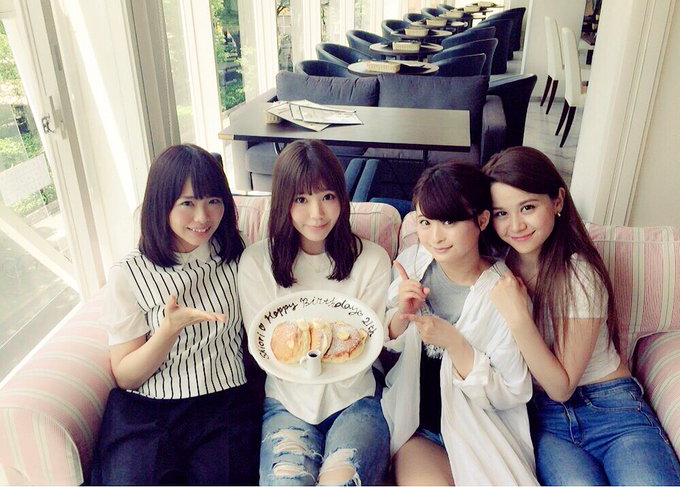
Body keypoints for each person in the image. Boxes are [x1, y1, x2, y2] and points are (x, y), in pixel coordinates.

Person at [483, 146, 680, 486]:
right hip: (545, 421)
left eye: (528, 207)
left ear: (558, 201)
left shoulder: (578, 272)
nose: (516, 225)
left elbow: (561, 386)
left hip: (612, 409)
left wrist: (518, 317)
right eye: (502, 213)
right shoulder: (495, 272)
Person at [90, 144, 261, 485]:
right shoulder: (129, 274)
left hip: (224, 403)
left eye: (213, 201)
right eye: (188, 203)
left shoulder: (236, 253)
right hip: (148, 411)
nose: (203, 217)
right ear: (161, 203)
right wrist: (168, 331)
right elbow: (126, 376)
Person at [238, 139, 391, 486]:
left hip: (356, 399)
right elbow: (265, 348)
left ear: (342, 198)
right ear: (283, 202)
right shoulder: (257, 263)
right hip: (287, 402)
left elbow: (370, 345)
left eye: (327, 196)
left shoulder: (372, 260)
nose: (317, 214)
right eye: (301, 199)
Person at [381, 161, 537, 486]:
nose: (435, 236)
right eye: (425, 222)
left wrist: (455, 344)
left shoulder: (502, 292)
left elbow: (513, 392)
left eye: (449, 221)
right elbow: (387, 343)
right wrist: (402, 314)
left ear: (482, 220)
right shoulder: (414, 264)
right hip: (419, 430)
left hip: (481, 435)